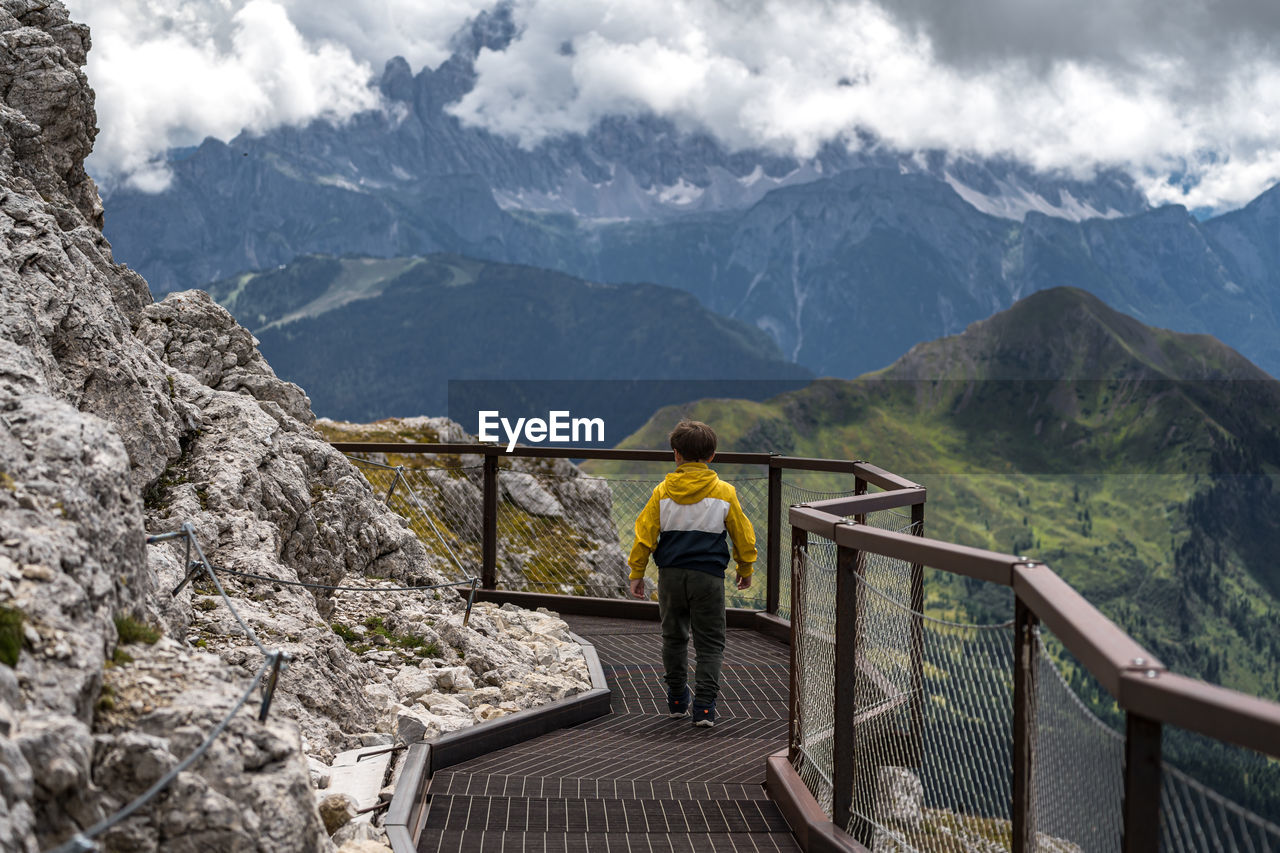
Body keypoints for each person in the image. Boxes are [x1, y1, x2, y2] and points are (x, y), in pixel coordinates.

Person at [627, 419, 756, 728]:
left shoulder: (661, 493)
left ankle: (675, 700)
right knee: (710, 642)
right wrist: (745, 567)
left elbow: (645, 535)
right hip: (708, 579)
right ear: (711, 456)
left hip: (670, 576)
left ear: (676, 455)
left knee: (673, 637)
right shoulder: (725, 493)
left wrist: (637, 572)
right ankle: (705, 708)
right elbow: (743, 535)